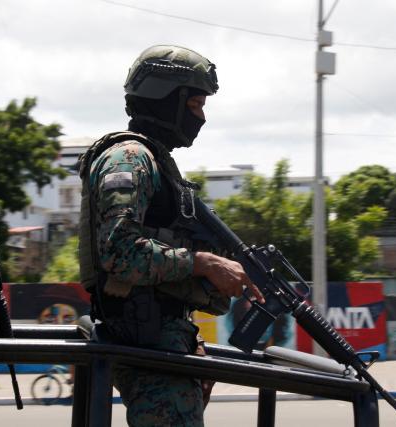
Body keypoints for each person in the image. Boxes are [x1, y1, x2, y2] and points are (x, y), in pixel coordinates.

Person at [78, 45, 265, 426]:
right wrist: (203, 263)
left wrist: (188, 336)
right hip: (145, 343)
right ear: (168, 99)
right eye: (195, 105)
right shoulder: (129, 159)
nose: (201, 117)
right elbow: (117, 251)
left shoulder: (156, 162)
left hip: (162, 341)